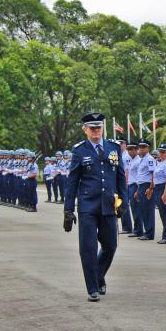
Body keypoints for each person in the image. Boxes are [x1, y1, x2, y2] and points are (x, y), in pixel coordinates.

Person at [63, 112, 128, 302]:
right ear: (85, 130)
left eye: (98, 127)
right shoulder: (79, 151)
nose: (96, 131)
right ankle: (92, 287)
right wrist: (68, 209)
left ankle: (98, 275)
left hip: (108, 204)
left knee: (110, 246)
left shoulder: (113, 148)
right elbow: (72, 182)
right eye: (92, 128)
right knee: (88, 248)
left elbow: (120, 177)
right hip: (88, 206)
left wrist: (124, 202)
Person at [136, 138, 156, 241]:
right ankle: (146, 231)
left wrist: (151, 188)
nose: (141, 149)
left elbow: (153, 174)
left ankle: (149, 233)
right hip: (141, 186)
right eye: (140, 147)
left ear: (148, 148)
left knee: (148, 210)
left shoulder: (149, 159)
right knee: (143, 210)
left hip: (147, 186)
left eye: (144, 147)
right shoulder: (142, 159)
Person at [154, 143, 166, 244]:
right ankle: (165, 235)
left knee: (165, 213)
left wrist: (165, 193)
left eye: (163, 152)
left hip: (163, 188)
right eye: (160, 152)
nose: (161, 154)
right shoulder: (159, 163)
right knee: (162, 213)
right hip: (158, 188)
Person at [117, 136, 133, 234]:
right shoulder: (120, 154)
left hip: (126, 183)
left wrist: (125, 184)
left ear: (125, 144)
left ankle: (127, 227)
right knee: (121, 204)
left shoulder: (126, 156)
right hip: (121, 183)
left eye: (121, 143)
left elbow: (126, 171)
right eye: (118, 143)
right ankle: (125, 226)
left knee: (124, 205)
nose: (119, 145)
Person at [127, 142, 143, 238]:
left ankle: (139, 230)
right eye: (129, 149)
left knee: (136, 209)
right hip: (130, 185)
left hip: (135, 185)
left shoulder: (138, 161)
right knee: (133, 208)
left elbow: (139, 176)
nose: (130, 151)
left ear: (136, 150)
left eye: (132, 149)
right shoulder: (132, 160)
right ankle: (136, 229)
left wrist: (137, 189)